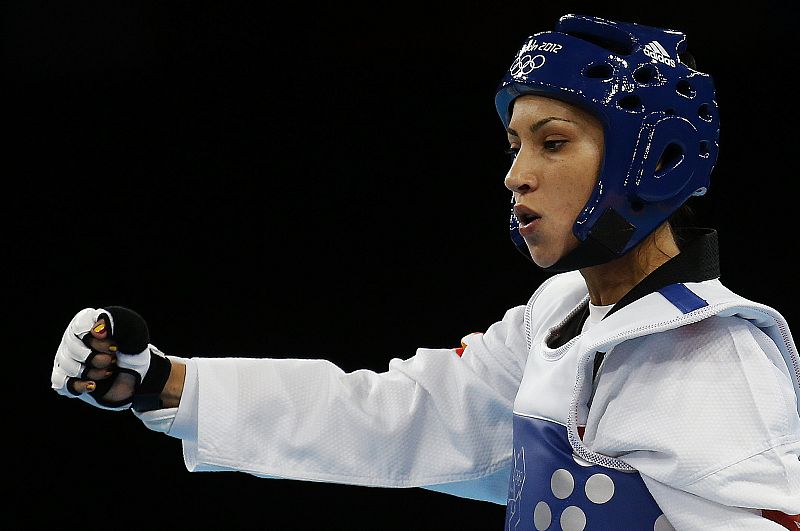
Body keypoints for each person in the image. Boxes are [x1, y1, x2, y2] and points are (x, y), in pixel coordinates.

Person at [50, 13, 800, 530]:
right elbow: (395, 416)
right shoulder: (560, 315)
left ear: (654, 159)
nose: (516, 175)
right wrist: (165, 382)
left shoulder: (714, 361)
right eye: (515, 144)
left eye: (552, 142)